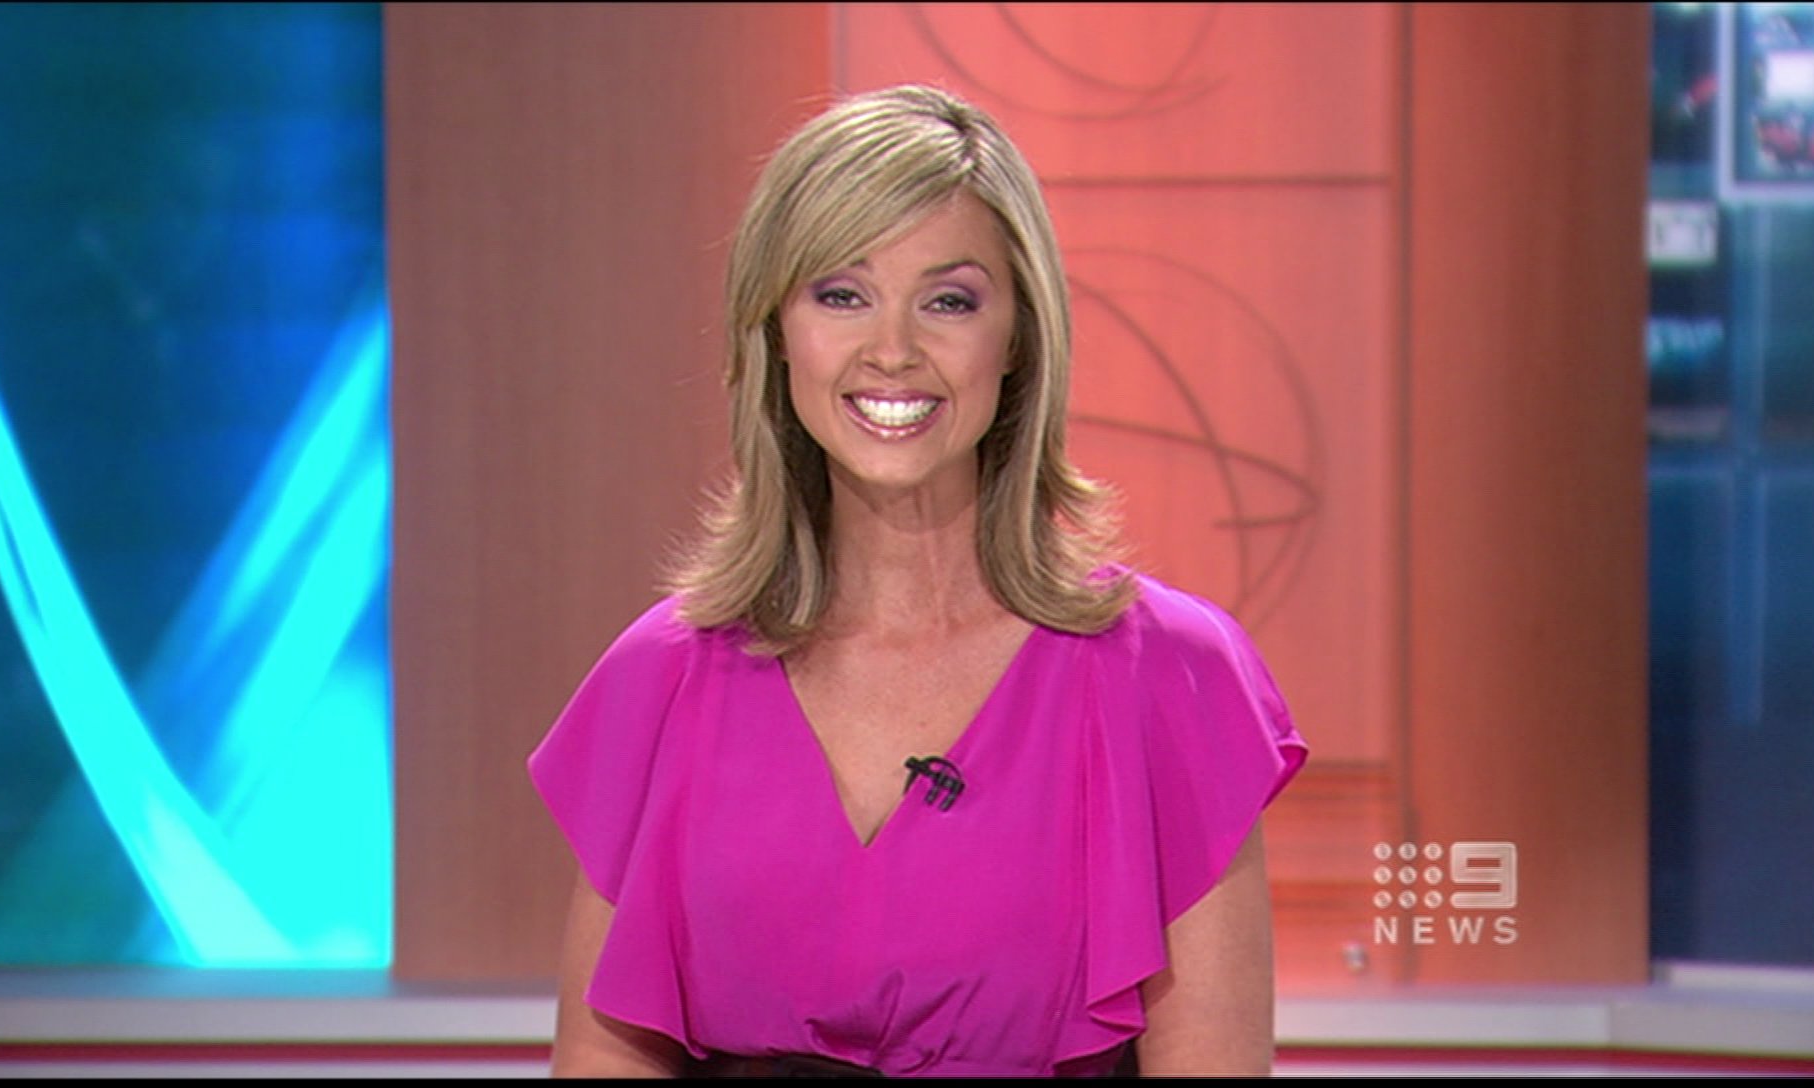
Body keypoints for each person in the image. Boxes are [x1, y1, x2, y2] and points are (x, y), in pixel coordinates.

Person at [528, 83, 1307, 1078]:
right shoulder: (664, 677)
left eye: (949, 301)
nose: (892, 350)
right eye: (840, 294)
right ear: (774, 330)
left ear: (1018, 337)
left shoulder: (1167, 675)